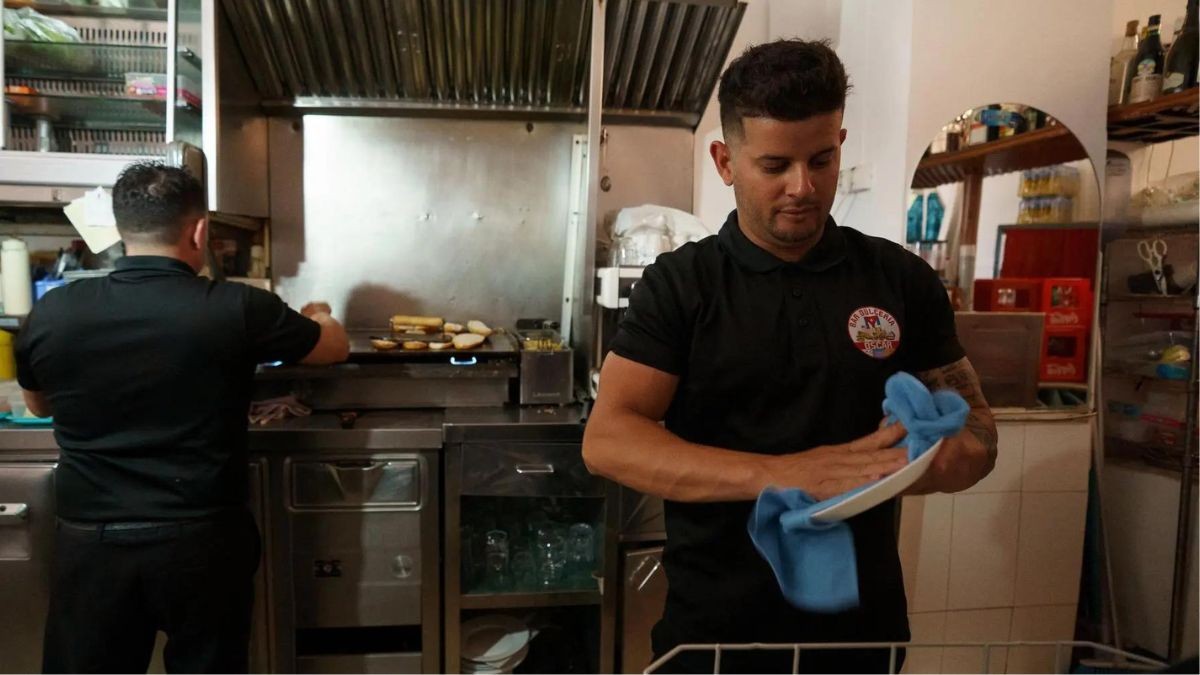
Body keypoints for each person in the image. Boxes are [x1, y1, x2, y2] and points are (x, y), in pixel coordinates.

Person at [582, 39, 998, 674]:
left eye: (822, 159)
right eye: (774, 165)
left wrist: (921, 457)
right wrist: (785, 474)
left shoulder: (900, 280)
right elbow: (608, 440)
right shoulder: (682, 285)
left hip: (864, 635)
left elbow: (978, 442)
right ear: (725, 161)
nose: (802, 187)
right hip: (715, 635)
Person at [16, 162, 350, 673]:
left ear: (123, 230)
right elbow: (332, 349)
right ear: (200, 231)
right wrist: (321, 312)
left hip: (94, 542)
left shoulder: (54, 311)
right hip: (202, 540)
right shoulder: (237, 307)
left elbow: (39, 404)